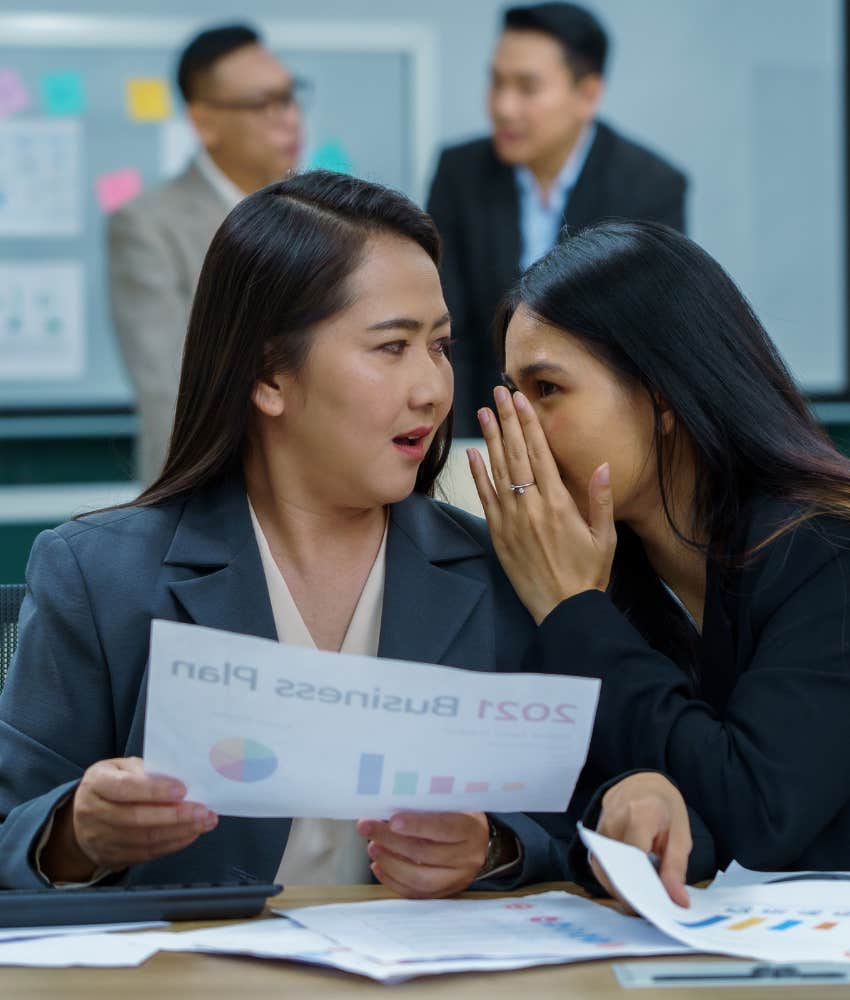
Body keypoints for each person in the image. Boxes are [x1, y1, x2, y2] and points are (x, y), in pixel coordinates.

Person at [0, 170, 579, 897]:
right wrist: (75, 835)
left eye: (439, 346)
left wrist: (493, 846)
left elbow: (589, 822)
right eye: (391, 347)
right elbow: (10, 832)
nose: (432, 388)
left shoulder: (500, 571)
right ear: (270, 373)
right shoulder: (97, 576)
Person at [467, 219, 850, 903]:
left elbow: (756, 814)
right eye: (509, 394)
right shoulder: (603, 565)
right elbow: (591, 801)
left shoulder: (826, 551)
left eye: (546, 390)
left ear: (664, 394)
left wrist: (571, 611)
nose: (518, 427)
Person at [427, 2, 687, 434]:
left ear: (587, 95)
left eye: (527, 88)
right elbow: (452, 327)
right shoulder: (460, 173)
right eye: (496, 83)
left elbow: (647, 340)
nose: (504, 107)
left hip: (603, 429)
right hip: (482, 425)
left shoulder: (649, 186)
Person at [109, 23, 304, 486]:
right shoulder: (147, 224)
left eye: (290, 97)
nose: (289, 118)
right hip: (207, 490)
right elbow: (171, 390)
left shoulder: (318, 218)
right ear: (203, 121)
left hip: (318, 495)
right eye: (263, 104)